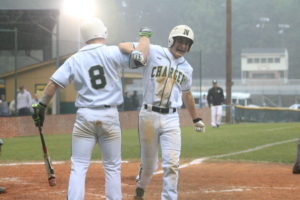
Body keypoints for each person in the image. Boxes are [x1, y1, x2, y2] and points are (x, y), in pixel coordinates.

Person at [31, 17, 150, 200]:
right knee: (112, 166)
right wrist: (144, 37)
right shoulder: (113, 52)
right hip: (109, 115)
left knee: (78, 165)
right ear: (102, 32)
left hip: (85, 116)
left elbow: (53, 84)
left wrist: (41, 106)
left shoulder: (75, 59)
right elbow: (141, 58)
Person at [119, 25, 205, 200]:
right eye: (180, 41)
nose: (183, 46)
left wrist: (196, 118)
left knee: (172, 164)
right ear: (171, 40)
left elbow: (187, 93)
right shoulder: (153, 51)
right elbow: (122, 45)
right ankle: (140, 189)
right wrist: (134, 51)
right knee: (150, 165)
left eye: (187, 43)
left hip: (172, 117)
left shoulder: (187, 68)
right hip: (149, 116)